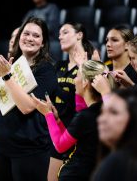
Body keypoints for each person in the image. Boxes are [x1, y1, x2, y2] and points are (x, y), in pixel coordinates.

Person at [0, 16, 58, 181]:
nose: (30, 38)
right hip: (0, 146)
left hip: (29, 150)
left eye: (36, 36)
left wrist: (7, 77)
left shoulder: (46, 71)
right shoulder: (9, 64)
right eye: (26, 33)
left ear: (43, 43)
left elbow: (27, 107)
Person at [31, 60, 117, 181]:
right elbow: (79, 111)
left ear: (85, 83)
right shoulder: (100, 110)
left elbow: (61, 146)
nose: (74, 79)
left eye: (77, 76)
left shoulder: (86, 116)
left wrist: (47, 114)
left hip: (77, 175)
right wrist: (57, 120)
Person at [49, 22, 95, 181]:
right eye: (59, 33)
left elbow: (87, 100)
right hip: (55, 129)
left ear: (79, 35)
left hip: (76, 133)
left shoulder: (91, 63)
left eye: (65, 32)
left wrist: (58, 92)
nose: (60, 36)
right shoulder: (59, 65)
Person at [93, 88, 137, 181]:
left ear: (136, 118)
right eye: (102, 113)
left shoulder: (118, 164)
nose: (101, 119)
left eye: (113, 112)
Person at [98, 29, 137, 128]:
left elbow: (126, 123)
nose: (131, 63)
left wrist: (105, 92)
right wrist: (131, 85)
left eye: (133, 58)